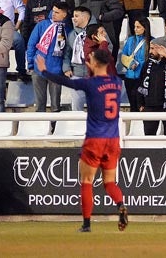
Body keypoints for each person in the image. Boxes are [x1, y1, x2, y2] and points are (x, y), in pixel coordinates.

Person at [34, 48, 129, 233]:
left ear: (94, 63)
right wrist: (95, 66)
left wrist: (44, 71)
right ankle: (120, 205)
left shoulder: (90, 83)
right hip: (113, 139)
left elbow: (66, 81)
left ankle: (86, 224)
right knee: (109, 182)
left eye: (90, 58)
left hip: (95, 139)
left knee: (87, 181)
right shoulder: (117, 83)